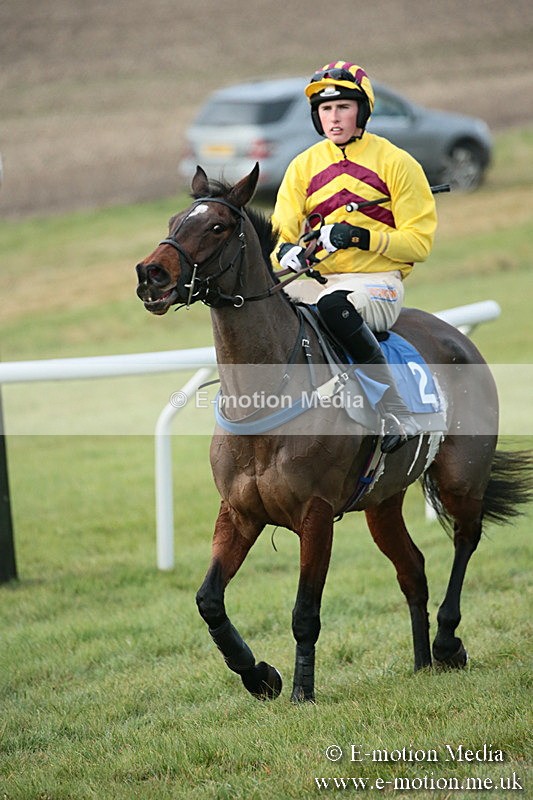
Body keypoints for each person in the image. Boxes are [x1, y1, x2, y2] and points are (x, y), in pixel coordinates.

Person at [272, 60, 437, 453]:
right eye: (326, 109)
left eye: (343, 107)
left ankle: (392, 408)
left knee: (333, 306)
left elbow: (419, 245)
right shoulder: (302, 167)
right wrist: (289, 253)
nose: (334, 117)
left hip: (378, 284)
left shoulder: (397, 163)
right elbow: (280, 235)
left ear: (361, 110)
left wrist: (360, 237)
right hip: (318, 283)